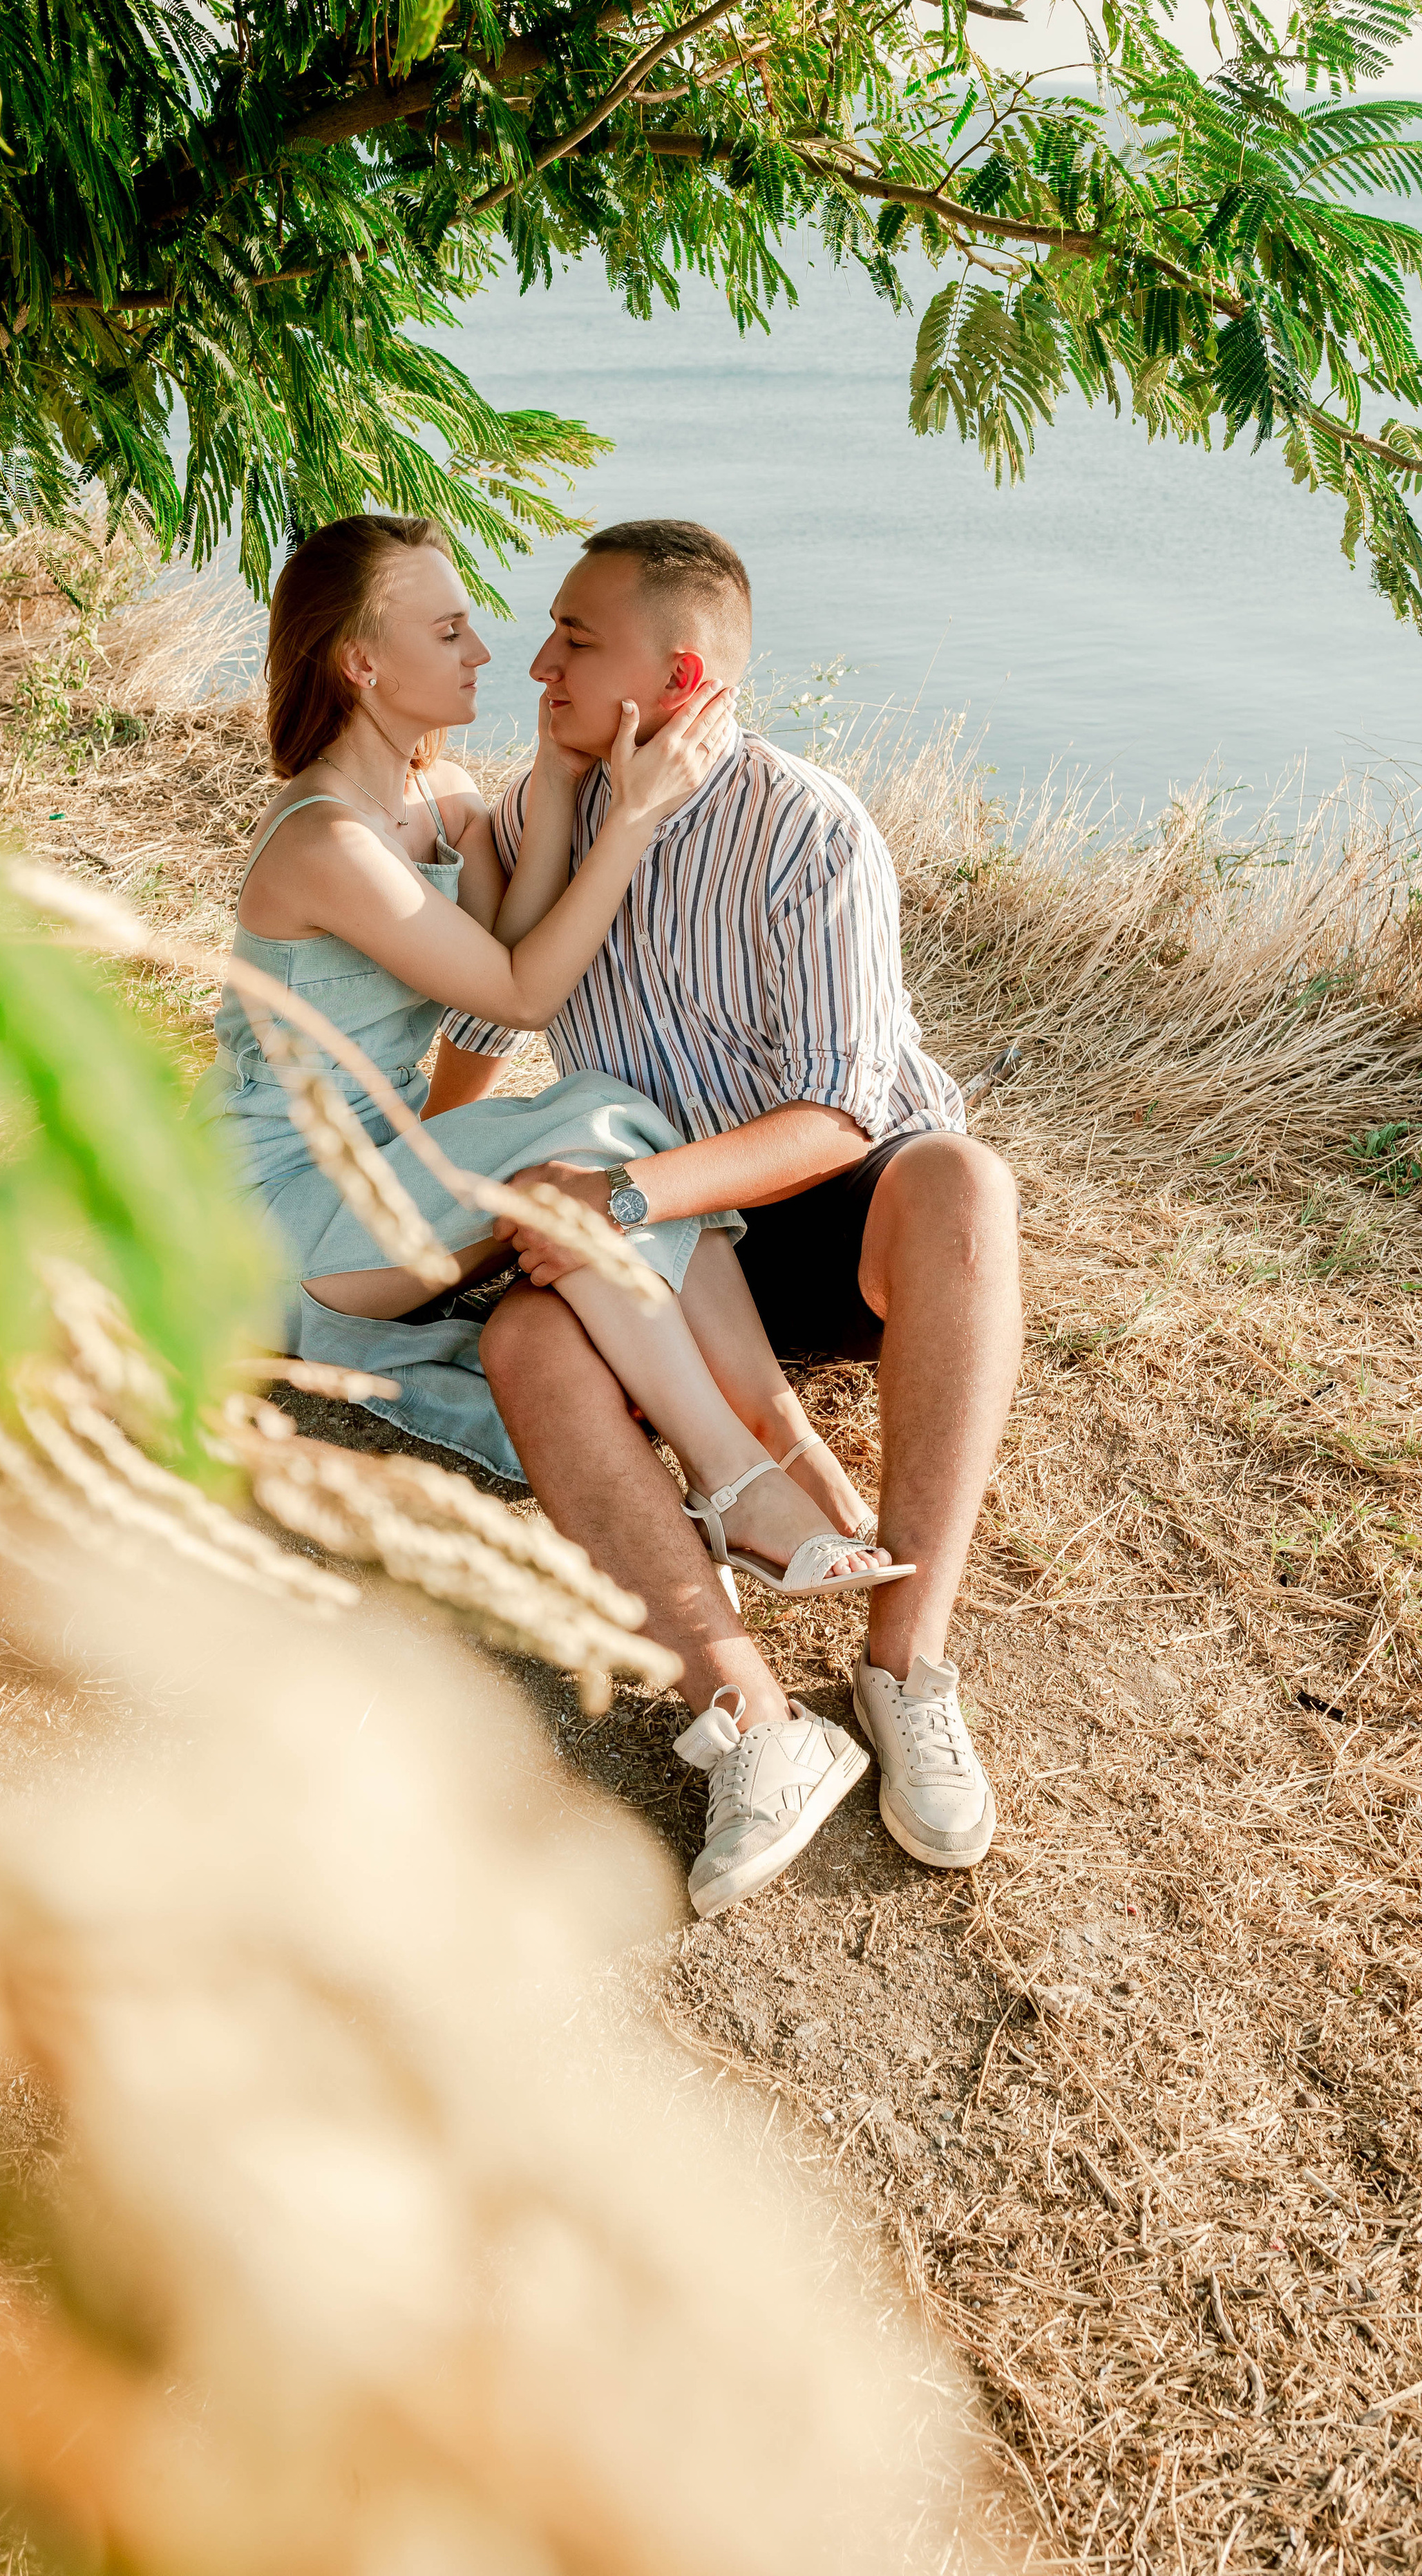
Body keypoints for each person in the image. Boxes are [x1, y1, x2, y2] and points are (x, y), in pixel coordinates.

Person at [207, 513, 921, 1911]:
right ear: (359, 666)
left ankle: (768, 1479)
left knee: (591, 1139)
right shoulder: (326, 842)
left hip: (373, 1184)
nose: (499, 652)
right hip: (283, 1212)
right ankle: (748, 1481)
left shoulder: (443, 801)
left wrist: (544, 771)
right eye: (450, 628)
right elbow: (531, 1001)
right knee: (595, 1103)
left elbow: (496, 967)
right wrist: (636, 818)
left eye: (499, 628)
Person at [430, 519, 1024, 1888]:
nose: (537, 662)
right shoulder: (537, 814)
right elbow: (490, 1004)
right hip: (662, 1267)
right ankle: (750, 1721)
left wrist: (624, 1196)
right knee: (523, 1345)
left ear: (679, 674)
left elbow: (835, 1115)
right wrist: (422, 1176)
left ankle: (905, 1664)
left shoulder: (803, 827)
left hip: (815, 1210)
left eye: (576, 642)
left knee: (962, 1184)